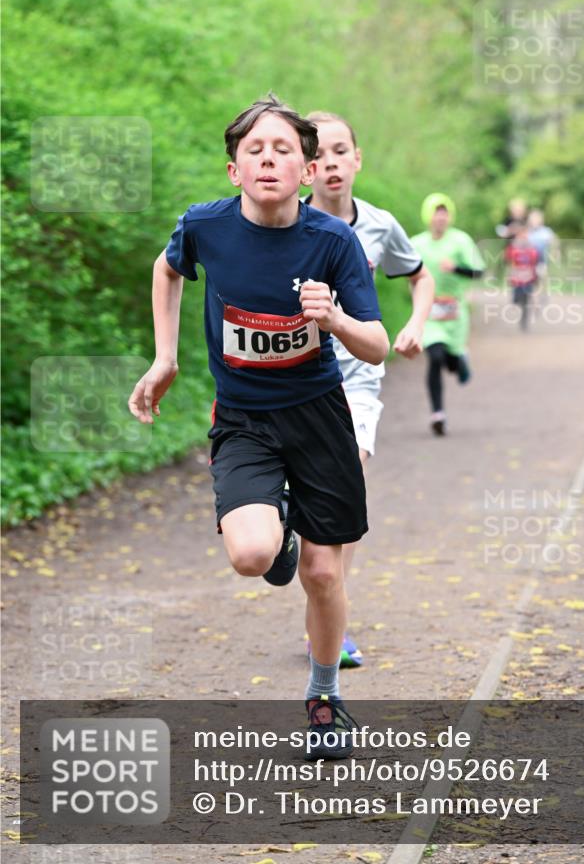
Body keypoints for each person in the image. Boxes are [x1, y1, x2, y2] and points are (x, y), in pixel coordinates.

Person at [128, 94, 389, 758]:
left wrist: (332, 321)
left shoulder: (332, 242)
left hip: (318, 418)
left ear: (306, 171)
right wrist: (165, 358)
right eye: (254, 150)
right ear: (233, 170)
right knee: (251, 556)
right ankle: (280, 540)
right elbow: (167, 268)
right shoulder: (205, 227)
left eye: (283, 150)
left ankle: (324, 699)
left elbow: (377, 345)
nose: (268, 159)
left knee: (325, 577)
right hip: (243, 418)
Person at [303, 110, 435, 667]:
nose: (332, 163)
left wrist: (415, 324)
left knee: (344, 488)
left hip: (357, 377)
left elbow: (419, 276)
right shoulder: (285, 223)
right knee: (299, 505)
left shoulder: (380, 224)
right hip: (296, 379)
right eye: (321, 155)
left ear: (358, 159)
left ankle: (334, 618)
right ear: (306, 168)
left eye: (341, 151)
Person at [411, 194, 484, 436]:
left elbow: (478, 272)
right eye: (436, 212)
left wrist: (456, 268)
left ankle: (460, 358)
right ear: (428, 215)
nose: (440, 217)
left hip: (454, 311)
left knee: (450, 360)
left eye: (444, 212)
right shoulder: (417, 243)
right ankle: (438, 413)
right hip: (429, 312)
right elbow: (404, 270)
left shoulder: (460, 240)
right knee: (435, 356)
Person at [505, 222, 539, 331]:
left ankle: (524, 321)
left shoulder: (531, 247)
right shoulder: (513, 247)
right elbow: (508, 260)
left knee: (526, 301)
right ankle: (520, 305)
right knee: (516, 299)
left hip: (528, 278)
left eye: (525, 234)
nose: (524, 236)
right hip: (517, 278)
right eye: (522, 234)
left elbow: (535, 259)